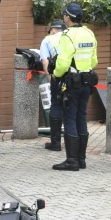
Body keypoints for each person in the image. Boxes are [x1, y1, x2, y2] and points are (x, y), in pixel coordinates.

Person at [51, 3, 98, 172]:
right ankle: (81, 159)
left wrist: (56, 74)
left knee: (70, 117)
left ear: (67, 17)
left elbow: (63, 62)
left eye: (64, 15)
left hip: (72, 81)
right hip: (87, 81)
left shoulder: (67, 36)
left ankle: (71, 160)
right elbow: (94, 61)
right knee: (81, 117)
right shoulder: (89, 33)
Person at [39, 20, 66, 152]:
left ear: (53, 30)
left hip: (58, 77)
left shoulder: (48, 40)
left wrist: (50, 79)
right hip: (75, 78)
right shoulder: (70, 37)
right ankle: (74, 141)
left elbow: (45, 62)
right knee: (73, 108)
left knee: (56, 107)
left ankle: (55, 143)